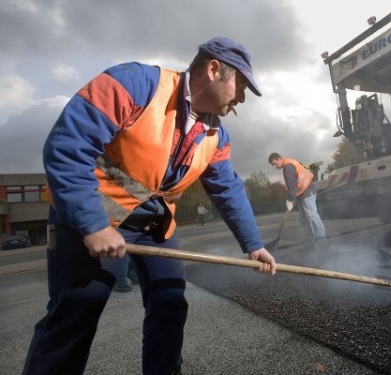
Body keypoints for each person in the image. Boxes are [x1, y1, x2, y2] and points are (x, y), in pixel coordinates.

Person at [23, 37, 277, 375]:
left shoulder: (217, 135)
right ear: (214, 69)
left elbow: (227, 188)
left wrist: (254, 244)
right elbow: (67, 147)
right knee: (77, 312)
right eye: (241, 85)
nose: (242, 99)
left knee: (170, 304)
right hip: (94, 217)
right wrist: (93, 224)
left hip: (153, 225)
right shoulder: (134, 84)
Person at [268, 153, 327, 250]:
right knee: (304, 219)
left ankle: (322, 242)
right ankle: (309, 244)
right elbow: (300, 167)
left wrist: (291, 199)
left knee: (312, 216)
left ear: (279, 159)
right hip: (300, 193)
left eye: (275, 164)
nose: (275, 167)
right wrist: (292, 198)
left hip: (307, 190)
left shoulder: (288, 167)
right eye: (273, 165)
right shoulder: (289, 162)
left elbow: (292, 184)